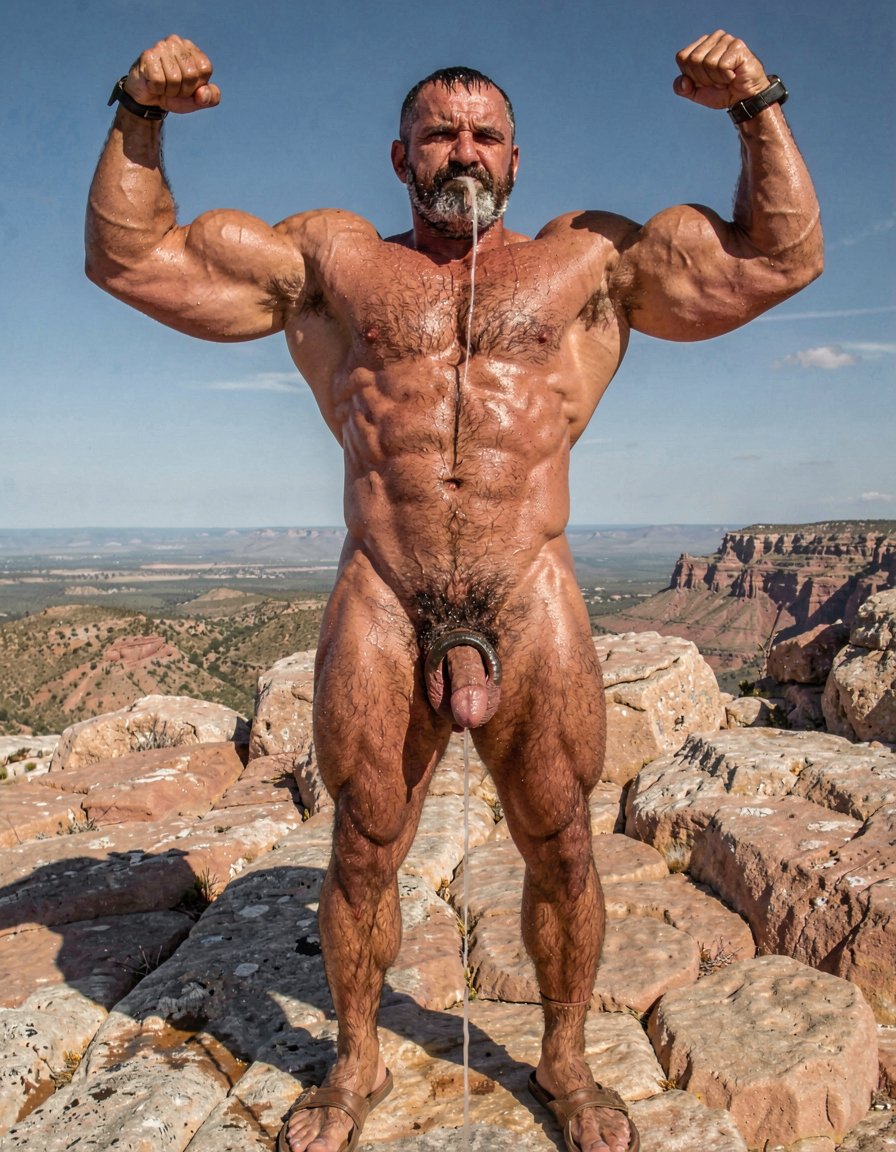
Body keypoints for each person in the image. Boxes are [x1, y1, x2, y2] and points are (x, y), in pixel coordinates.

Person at [86, 30, 822, 1152]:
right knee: (363, 844)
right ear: (400, 157)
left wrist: (754, 106)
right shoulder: (334, 263)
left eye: (484, 135)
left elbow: (777, 259)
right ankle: (355, 1065)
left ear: (517, 161)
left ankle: (566, 1065)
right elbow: (132, 260)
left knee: (563, 844)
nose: (462, 150)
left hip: (529, 589)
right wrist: (139, 110)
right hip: (384, 589)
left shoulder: (586, 262)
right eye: (440, 133)